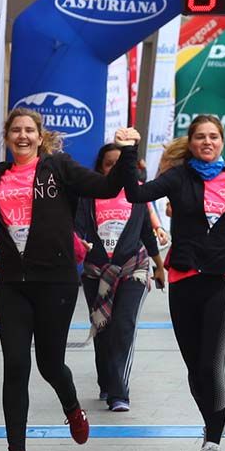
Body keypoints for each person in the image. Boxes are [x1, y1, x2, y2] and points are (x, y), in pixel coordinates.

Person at [0, 105, 136, 451]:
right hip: (13, 284)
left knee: (49, 364)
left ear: (40, 135)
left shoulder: (59, 168)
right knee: (15, 366)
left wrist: (127, 152)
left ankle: (72, 407)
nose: (23, 136)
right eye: (16, 130)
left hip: (56, 283)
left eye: (30, 129)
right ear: (8, 137)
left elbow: (108, 187)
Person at [122, 115, 225, 451]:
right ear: (192, 141)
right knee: (194, 369)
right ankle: (213, 420)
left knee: (211, 365)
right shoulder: (178, 177)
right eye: (200, 137)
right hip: (184, 277)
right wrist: (128, 154)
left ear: (222, 141)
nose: (207, 142)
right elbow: (137, 194)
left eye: (214, 136)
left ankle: (212, 442)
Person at [75, 143, 167, 413]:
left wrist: (159, 265)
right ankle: (107, 380)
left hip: (133, 268)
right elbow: (78, 229)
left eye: (120, 163)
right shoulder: (87, 196)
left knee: (123, 326)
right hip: (97, 272)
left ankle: (119, 392)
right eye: (108, 164)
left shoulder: (137, 194)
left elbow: (146, 234)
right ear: (100, 168)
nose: (115, 168)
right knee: (102, 328)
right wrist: (80, 245)